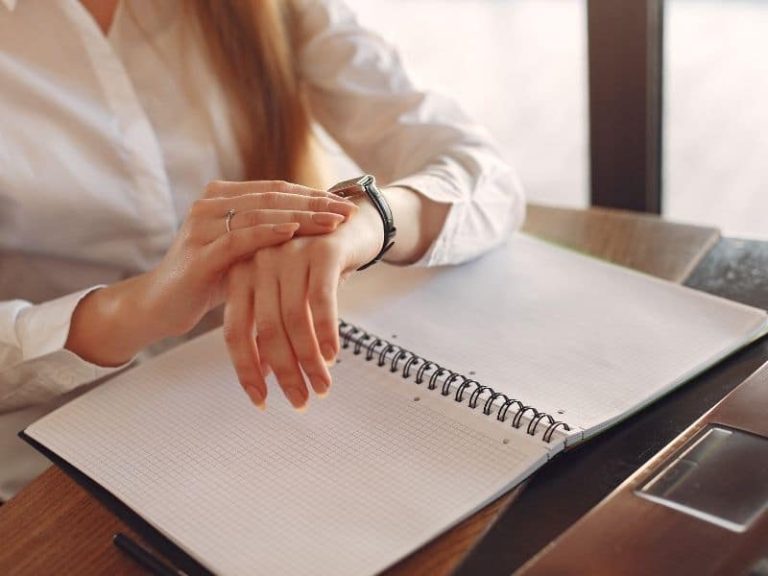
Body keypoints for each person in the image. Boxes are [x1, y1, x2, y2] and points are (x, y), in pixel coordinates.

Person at [0, 0, 525, 500]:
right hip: (49, 464)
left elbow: (487, 177)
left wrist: (364, 224)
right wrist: (133, 309)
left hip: (272, 412)